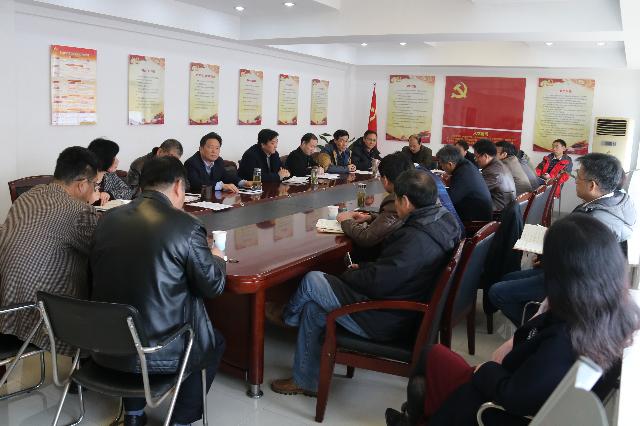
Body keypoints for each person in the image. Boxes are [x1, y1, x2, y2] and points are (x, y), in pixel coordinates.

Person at [386, 214, 640, 426]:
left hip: (493, 406)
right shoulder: (609, 312)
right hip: (514, 383)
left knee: (428, 362)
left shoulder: (565, 338)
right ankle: (413, 419)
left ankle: (415, 419)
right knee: (429, 362)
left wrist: (485, 369)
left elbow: (515, 396)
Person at [269, 169, 461, 396]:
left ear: (406, 201)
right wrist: (366, 268)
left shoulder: (415, 238)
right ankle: (306, 380)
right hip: (405, 305)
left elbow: (380, 282)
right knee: (313, 306)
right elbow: (395, 270)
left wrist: (351, 274)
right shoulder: (443, 220)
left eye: (395, 200)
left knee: (313, 280)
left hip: (386, 317)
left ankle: (289, 317)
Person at [90, 156, 226, 426]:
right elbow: (213, 287)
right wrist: (217, 259)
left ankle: (133, 415)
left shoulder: (107, 219)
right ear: (178, 186)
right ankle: (180, 420)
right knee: (212, 340)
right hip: (160, 350)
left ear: (142, 185)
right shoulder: (186, 226)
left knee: (130, 315)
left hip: (108, 342)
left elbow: (92, 276)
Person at [489, 152, 636, 325]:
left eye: (578, 176)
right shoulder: (617, 201)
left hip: (575, 284)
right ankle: (539, 318)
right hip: (578, 274)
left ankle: (539, 329)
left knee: (497, 291)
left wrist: (549, 260)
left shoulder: (595, 220)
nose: (575, 181)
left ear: (592, 185)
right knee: (508, 278)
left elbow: (579, 262)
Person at [0, 147, 100, 355]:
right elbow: (101, 252)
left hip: (7, 306)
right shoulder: (79, 211)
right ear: (82, 184)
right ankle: (87, 361)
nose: (94, 190)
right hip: (40, 315)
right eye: (95, 185)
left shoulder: (29, 195)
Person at [336, 152, 413, 261]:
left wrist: (346, 220)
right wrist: (370, 217)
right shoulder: (414, 193)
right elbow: (394, 222)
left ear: (385, 179)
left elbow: (365, 238)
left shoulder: (398, 201)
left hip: (384, 260)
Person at [436, 145, 493, 222]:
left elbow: (450, 200)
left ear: (450, 164)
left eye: (441, 164)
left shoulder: (463, 173)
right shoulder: (465, 165)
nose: (441, 167)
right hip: (473, 211)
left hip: (476, 221)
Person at [185, 131, 249, 193]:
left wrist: (244, 183)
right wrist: (221, 186)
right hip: (199, 198)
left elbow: (226, 176)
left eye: (217, 148)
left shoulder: (218, 161)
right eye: (211, 147)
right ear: (201, 149)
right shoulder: (191, 163)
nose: (214, 151)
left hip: (216, 198)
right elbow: (196, 183)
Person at [473, 139, 516, 212]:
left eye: (476, 157)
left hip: (498, 212)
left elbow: (476, 190)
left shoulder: (492, 172)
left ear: (486, 156)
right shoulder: (498, 164)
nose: (476, 160)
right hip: (505, 206)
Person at [88, 138, 134, 203]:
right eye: (114, 158)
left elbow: (128, 192)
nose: (117, 161)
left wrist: (110, 194)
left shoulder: (110, 175)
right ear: (103, 159)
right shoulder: (82, 177)